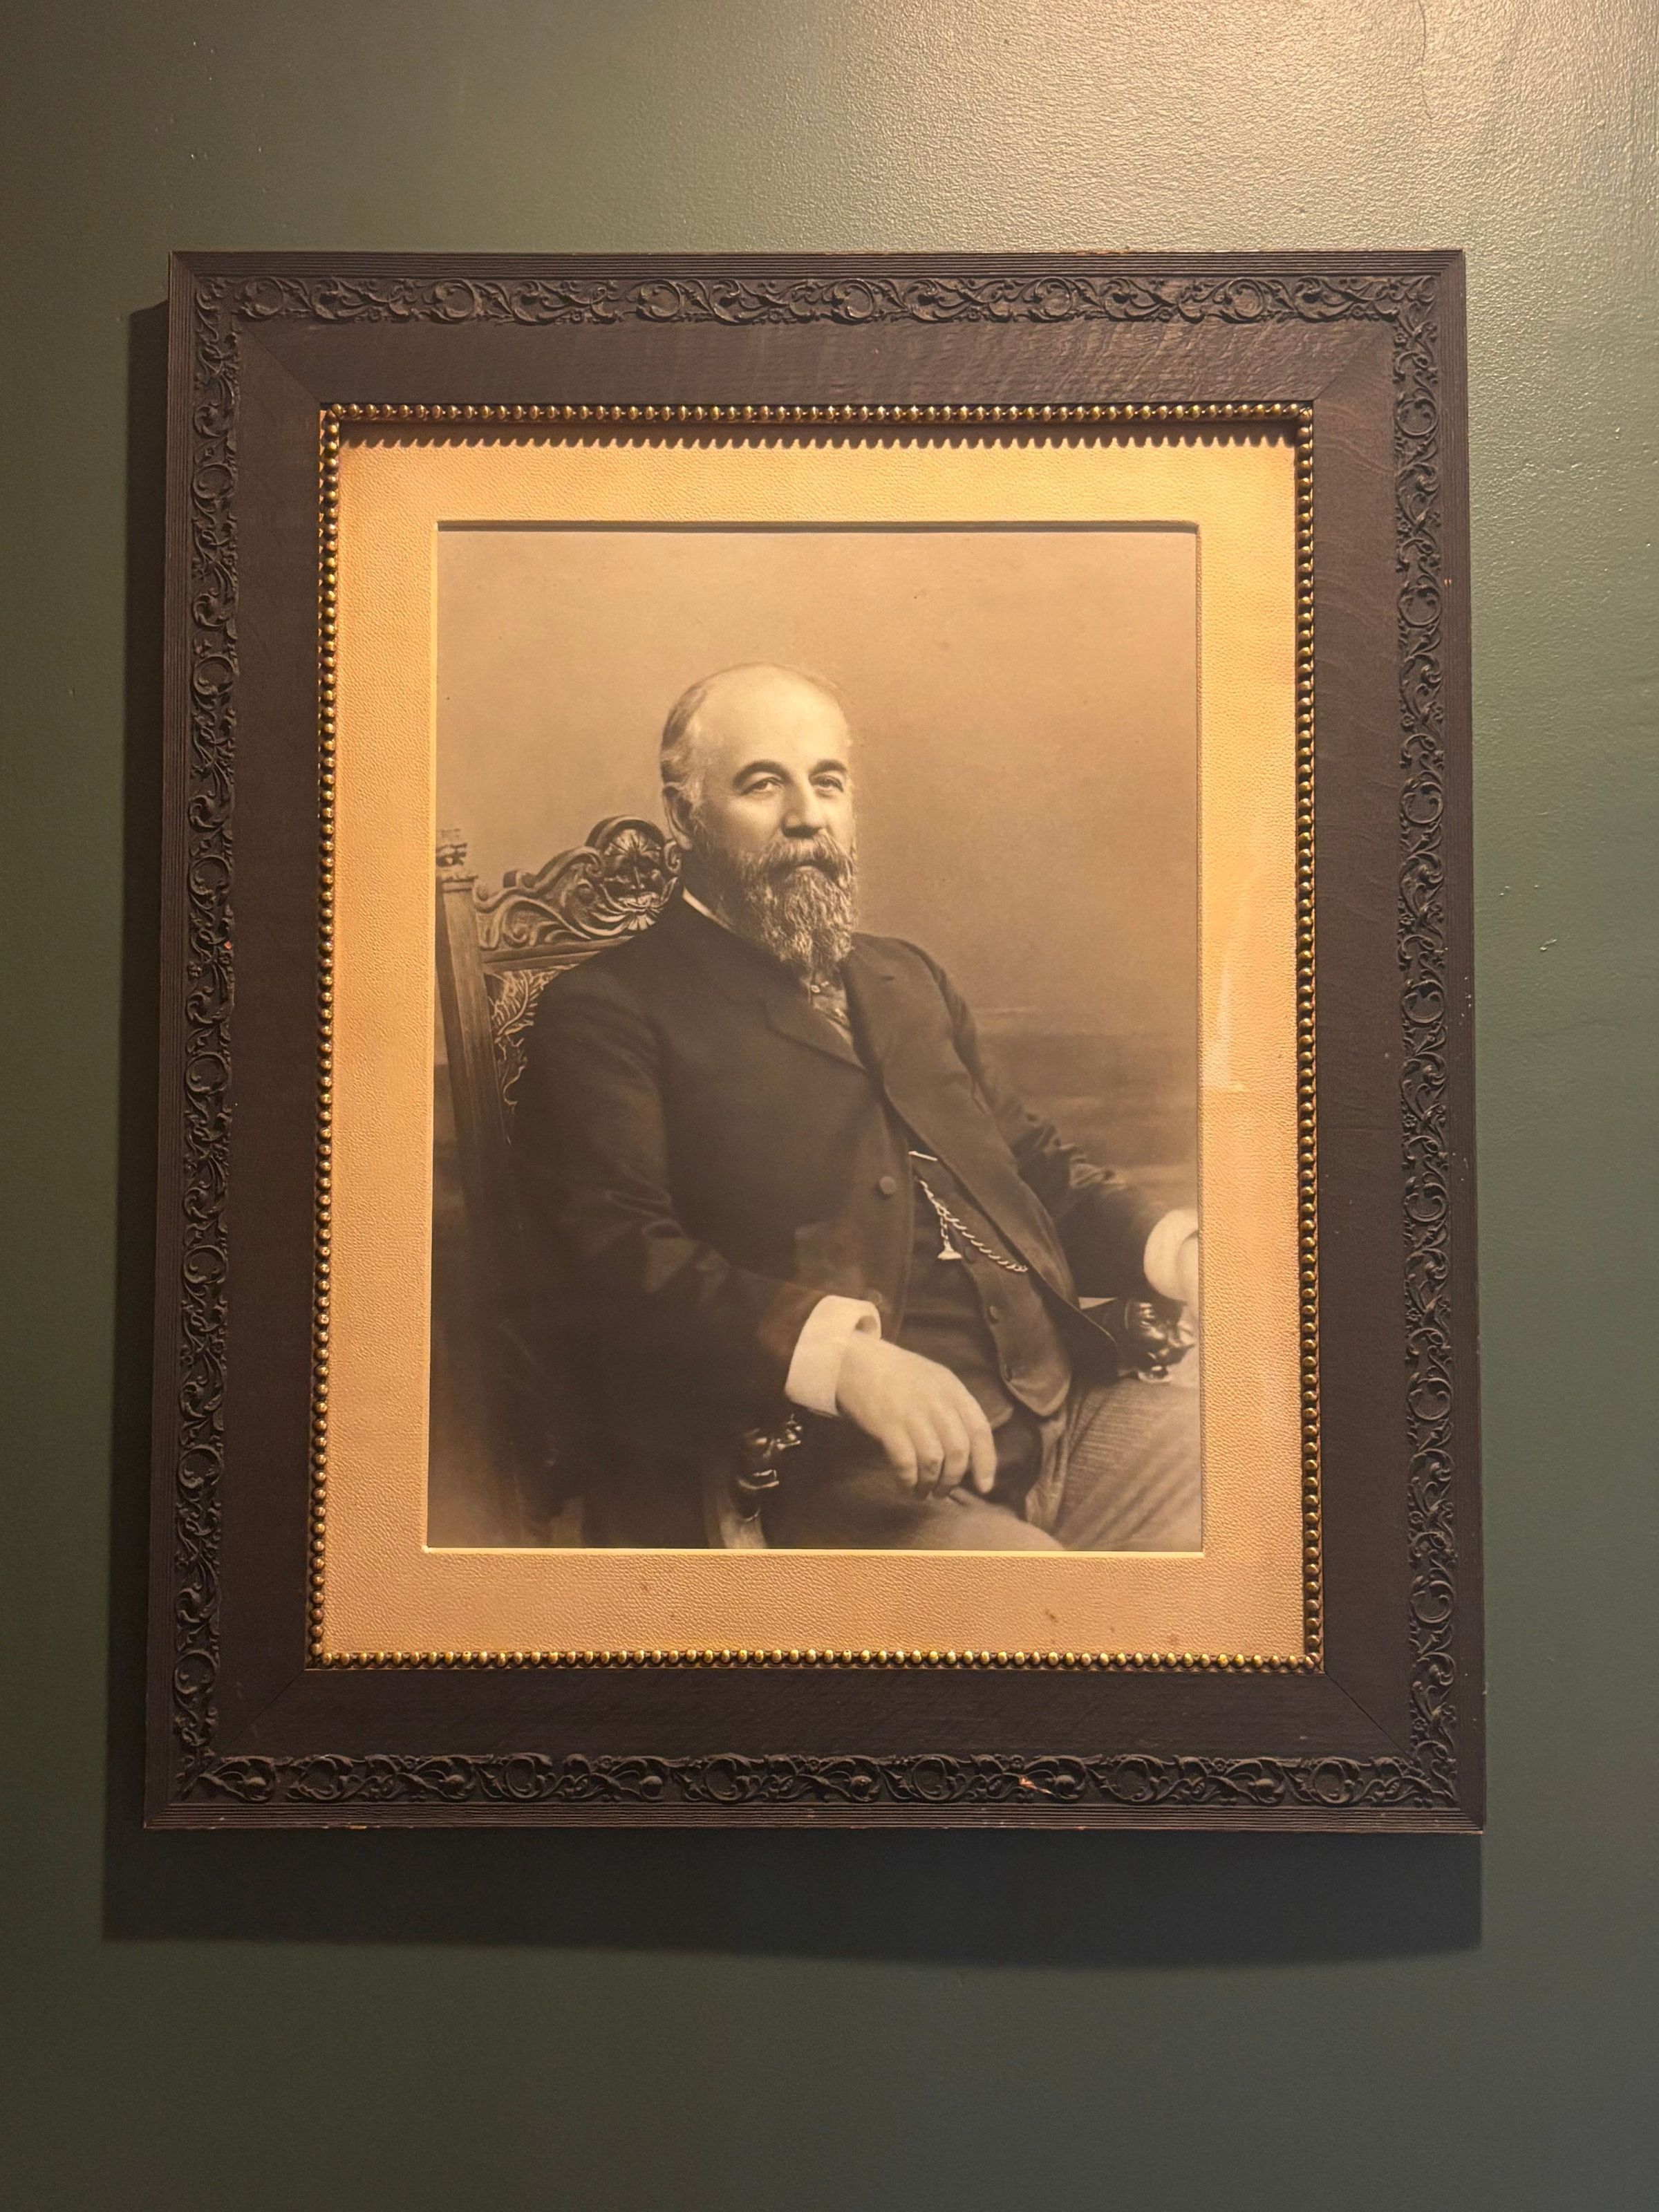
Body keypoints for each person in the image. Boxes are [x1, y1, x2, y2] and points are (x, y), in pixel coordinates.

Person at [515, 664, 1200, 1550]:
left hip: (1070, 1418)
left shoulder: (906, 976)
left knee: (1264, 1496)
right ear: (685, 813)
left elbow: (1029, 1165)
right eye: (764, 783)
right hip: (840, 1470)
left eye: (828, 781)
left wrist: (1182, 1251)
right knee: (1037, 1615)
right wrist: (845, 1359)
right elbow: (620, 1257)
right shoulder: (609, 1009)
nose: (807, 815)